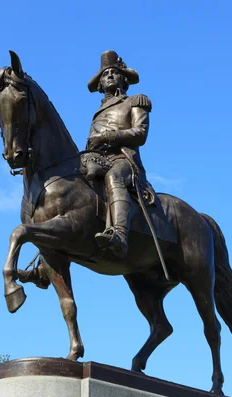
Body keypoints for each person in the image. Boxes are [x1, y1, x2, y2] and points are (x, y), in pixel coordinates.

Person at [87, 50, 152, 258]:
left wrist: (107, 137)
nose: (109, 76)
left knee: (113, 177)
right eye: (105, 74)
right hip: (96, 159)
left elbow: (140, 134)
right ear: (100, 84)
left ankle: (120, 235)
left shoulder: (135, 101)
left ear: (124, 79)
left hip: (123, 160)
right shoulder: (98, 112)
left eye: (114, 72)